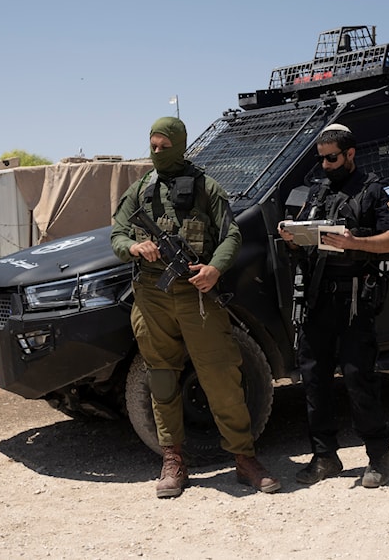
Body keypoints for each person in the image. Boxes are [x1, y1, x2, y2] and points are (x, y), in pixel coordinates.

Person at [111, 117, 281, 498]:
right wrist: (135, 248)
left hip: (197, 295)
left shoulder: (207, 187)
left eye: (163, 146)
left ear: (180, 145)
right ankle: (173, 460)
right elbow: (118, 234)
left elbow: (231, 235)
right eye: (152, 146)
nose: (157, 153)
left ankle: (243, 458)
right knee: (162, 378)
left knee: (221, 377)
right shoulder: (140, 190)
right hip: (152, 296)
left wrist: (214, 269)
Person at [277, 123, 389, 488]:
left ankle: (379, 454)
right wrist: (293, 238)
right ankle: (324, 456)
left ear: (350, 154)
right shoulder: (317, 192)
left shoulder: (375, 190)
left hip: (353, 299)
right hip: (317, 297)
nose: (326, 165)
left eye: (332, 158)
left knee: (357, 377)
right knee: (314, 379)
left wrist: (354, 241)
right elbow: (306, 236)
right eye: (321, 159)